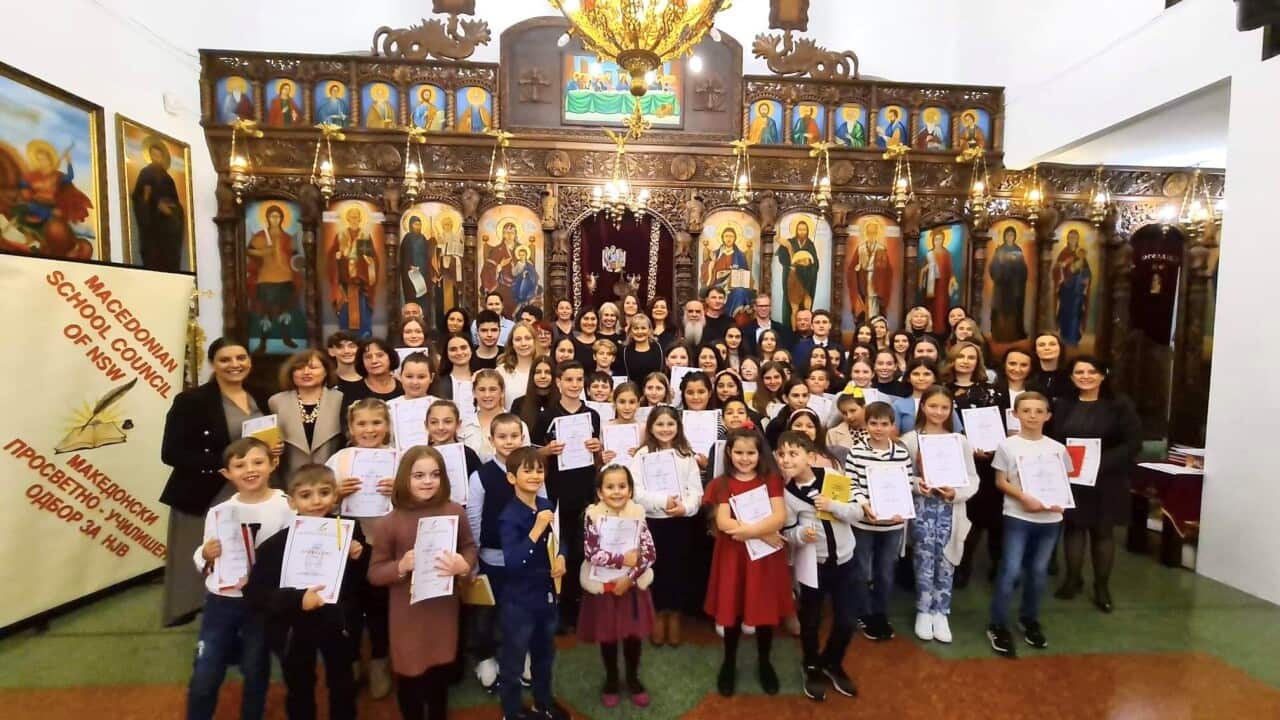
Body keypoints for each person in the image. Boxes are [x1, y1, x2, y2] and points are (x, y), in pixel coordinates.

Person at [160, 338, 278, 626]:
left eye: (241, 358)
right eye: (225, 359)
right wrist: (228, 464)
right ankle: (209, 619)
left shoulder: (262, 395)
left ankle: (249, 612)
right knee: (210, 556)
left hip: (252, 489)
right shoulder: (191, 401)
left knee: (249, 555)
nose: (235, 365)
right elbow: (171, 453)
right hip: (208, 491)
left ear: (249, 360)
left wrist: (273, 450)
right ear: (213, 363)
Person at [243, 464, 362, 720]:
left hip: (338, 623)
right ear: (292, 501)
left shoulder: (351, 531)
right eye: (306, 495)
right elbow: (255, 593)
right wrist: (298, 600)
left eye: (324, 492)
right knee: (299, 687)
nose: (317, 501)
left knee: (342, 683)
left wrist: (359, 556)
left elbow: (363, 583)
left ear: (335, 496)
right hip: (294, 628)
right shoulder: (275, 545)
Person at [185, 438, 292, 720]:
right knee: (206, 670)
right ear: (227, 474)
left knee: (255, 668)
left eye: (258, 462)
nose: (250, 470)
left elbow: (293, 555)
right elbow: (207, 555)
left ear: (273, 464)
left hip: (261, 604)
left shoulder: (287, 507)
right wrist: (205, 553)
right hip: (222, 602)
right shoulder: (220, 512)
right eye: (240, 465)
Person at [368, 445, 477, 719]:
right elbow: (375, 572)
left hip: (443, 608)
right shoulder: (389, 523)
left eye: (434, 474)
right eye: (419, 475)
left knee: (440, 676)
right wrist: (401, 566)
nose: (428, 481)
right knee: (410, 677)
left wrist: (464, 564)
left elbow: (469, 547)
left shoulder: (455, 511)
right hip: (408, 613)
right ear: (405, 478)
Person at [704, 429, 792, 697]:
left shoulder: (771, 480)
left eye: (750, 453)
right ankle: (729, 663)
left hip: (765, 557)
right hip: (733, 556)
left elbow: (779, 517)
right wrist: (761, 532)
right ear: (729, 453)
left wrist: (753, 533)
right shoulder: (721, 483)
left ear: (759, 454)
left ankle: (765, 663)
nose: (744, 458)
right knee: (733, 610)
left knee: (764, 610)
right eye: (739, 452)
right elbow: (723, 522)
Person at [1051, 357, 1142, 613]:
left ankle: (1101, 586)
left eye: (1092, 371)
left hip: (1107, 478)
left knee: (1102, 532)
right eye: (1079, 372)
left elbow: (1132, 443)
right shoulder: (1064, 404)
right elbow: (1055, 439)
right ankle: (1072, 579)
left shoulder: (1119, 404)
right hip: (1073, 478)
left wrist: (1101, 463)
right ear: (1071, 377)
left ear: (1103, 375)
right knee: (1073, 529)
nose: (1085, 376)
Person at [987, 392, 1073, 657]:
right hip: (1018, 516)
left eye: (1039, 411)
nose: (1032, 416)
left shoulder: (1058, 449)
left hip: (1050, 519)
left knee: (1038, 572)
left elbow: (1064, 480)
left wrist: (1061, 501)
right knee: (1011, 570)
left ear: (1048, 415)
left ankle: (1029, 618)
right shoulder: (1008, 446)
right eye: (1026, 411)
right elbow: (1001, 482)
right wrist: (1023, 496)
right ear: (1015, 414)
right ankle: (998, 624)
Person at [777, 431, 860, 701]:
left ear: (810, 456)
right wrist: (801, 535)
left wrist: (833, 505)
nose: (787, 459)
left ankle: (832, 661)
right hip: (814, 566)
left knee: (847, 620)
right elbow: (787, 532)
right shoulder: (787, 495)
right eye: (782, 454)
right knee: (811, 620)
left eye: (794, 453)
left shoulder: (833, 479)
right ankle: (811, 664)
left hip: (847, 562)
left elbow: (857, 510)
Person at [465, 412, 541, 690]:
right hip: (490, 560)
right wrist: (473, 560)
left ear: (523, 438)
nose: (509, 441)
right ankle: (485, 657)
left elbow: (544, 513)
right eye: (502, 436)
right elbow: (473, 519)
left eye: (514, 436)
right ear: (491, 439)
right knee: (485, 614)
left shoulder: (534, 470)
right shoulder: (481, 476)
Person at [326, 398, 396, 698]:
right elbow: (317, 505)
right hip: (349, 546)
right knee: (348, 608)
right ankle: (351, 660)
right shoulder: (338, 460)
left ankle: (380, 661)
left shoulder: (398, 458)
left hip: (385, 546)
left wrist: (400, 491)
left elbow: (418, 500)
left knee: (381, 607)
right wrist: (335, 494)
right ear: (351, 428)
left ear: (387, 427)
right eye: (362, 424)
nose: (370, 429)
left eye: (376, 423)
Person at [900, 387, 979, 643]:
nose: (938, 412)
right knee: (923, 558)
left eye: (944, 407)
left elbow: (972, 477)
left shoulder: (959, 441)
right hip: (921, 509)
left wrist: (956, 492)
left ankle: (941, 610)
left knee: (946, 559)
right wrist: (916, 484)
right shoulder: (910, 439)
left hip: (949, 508)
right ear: (923, 406)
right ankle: (923, 609)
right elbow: (901, 473)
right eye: (933, 406)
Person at [578, 464, 658, 708]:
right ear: (600, 492)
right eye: (610, 487)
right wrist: (621, 559)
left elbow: (649, 553)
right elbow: (591, 553)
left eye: (622, 486)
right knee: (608, 638)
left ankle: (633, 679)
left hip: (631, 588)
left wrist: (630, 578)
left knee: (633, 638)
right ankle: (611, 680)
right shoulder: (593, 517)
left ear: (630, 490)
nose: (616, 492)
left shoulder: (638, 515)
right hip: (604, 588)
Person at [497, 447, 568, 720]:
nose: (535, 475)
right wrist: (537, 529)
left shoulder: (547, 506)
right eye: (527, 470)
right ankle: (511, 712)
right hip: (519, 602)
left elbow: (562, 541)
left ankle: (543, 702)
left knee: (544, 656)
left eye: (539, 470)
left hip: (546, 597)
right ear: (512, 478)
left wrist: (561, 557)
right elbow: (513, 563)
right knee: (513, 664)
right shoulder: (509, 516)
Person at [532, 362, 603, 629]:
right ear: (558, 382)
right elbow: (534, 454)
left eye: (579, 379)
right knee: (561, 549)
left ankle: (584, 609)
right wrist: (547, 450)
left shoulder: (592, 415)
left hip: (586, 489)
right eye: (569, 379)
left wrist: (597, 448)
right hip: (558, 490)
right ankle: (561, 609)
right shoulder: (546, 416)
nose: (575, 385)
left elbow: (598, 456)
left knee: (585, 547)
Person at [628, 406, 703, 647]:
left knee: (679, 569)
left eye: (670, 424)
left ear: (678, 427)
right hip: (652, 523)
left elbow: (696, 492)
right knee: (655, 570)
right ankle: (658, 614)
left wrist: (685, 508)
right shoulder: (641, 455)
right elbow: (635, 491)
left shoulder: (685, 454)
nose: (665, 429)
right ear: (650, 427)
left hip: (680, 522)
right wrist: (662, 502)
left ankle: (674, 615)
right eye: (659, 424)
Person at [844, 401, 914, 641]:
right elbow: (851, 483)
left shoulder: (901, 453)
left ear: (893, 426)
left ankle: (881, 612)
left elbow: (907, 483)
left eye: (884, 424)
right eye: (873, 423)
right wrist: (864, 504)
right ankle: (864, 612)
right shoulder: (856, 451)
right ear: (867, 424)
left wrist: (902, 509)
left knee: (885, 571)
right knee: (862, 571)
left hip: (893, 524)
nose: (878, 428)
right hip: (864, 522)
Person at [269, 350, 345, 480]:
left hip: (332, 478)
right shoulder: (276, 402)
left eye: (313, 367)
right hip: (292, 479)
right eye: (299, 368)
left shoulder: (340, 399)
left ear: (326, 371)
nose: (306, 372)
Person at [247, 203, 302, 352]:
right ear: (267, 218)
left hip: (285, 277)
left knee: (285, 310)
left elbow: (295, 256)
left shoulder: (287, 237)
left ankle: (286, 338)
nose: (275, 219)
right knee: (266, 311)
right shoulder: (260, 236)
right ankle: (263, 342)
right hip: (266, 277)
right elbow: (250, 252)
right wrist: (264, 251)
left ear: (282, 218)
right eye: (272, 216)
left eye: (278, 216)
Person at [132, 136, 186, 272]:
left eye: (158, 155)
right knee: (152, 256)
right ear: (150, 156)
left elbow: (176, 203)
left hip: (167, 226)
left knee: (168, 257)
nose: (156, 158)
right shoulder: (145, 173)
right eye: (153, 155)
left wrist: (172, 209)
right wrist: (150, 201)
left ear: (163, 157)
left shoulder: (168, 179)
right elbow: (138, 197)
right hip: (152, 224)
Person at [329, 205, 379, 338]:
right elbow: (331, 256)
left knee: (362, 314)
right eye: (351, 217)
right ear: (347, 219)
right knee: (345, 315)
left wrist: (370, 262)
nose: (354, 219)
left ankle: (363, 340)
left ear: (360, 218)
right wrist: (337, 256)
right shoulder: (340, 235)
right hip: (345, 284)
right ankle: (347, 341)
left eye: (356, 217)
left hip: (361, 284)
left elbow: (374, 258)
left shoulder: (365, 235)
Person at [463, 370, 531, 462]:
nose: (487, 395)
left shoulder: (519, 425)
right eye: (482, 390)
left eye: (493, 389)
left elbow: (526, 459)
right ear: (474, 393)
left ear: (502, 392)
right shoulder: (463, 426)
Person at [340, 337, 403, 422]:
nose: (374, 361)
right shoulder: (351, 392)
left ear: (390, 357)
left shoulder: (404, 388)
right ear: (362, 362)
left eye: (380, 355)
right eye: (368, 357)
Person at [776, 221, 820, 331]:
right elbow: (782, 258)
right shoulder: (790, 242)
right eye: (800, 229)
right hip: (793, 279)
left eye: (804, 230)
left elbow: (815, 264)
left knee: (807, 306)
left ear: (807, 231)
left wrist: (808, 264)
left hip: (806, 280)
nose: (802, 232)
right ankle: (792, 330)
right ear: (796, 230)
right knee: (793, 308)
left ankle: (807, 330)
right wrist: (786, 247)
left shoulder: (810, 244)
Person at [848, 217, 893, 324]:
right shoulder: (861, 248)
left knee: (874, 303)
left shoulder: (881, 248)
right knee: (865, 302)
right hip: (863, 280)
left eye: (874, 232)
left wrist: (880, 271)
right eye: (869, 232)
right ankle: (864, 324)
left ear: (877, 233)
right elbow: (851, 268)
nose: (871, 234)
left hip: (876, 282)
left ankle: (874, 324)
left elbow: (889, 271)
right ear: (866, 233)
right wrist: (856, 269)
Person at [989, 225, 1029, 342]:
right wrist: (1001, 264)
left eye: (1012, 235)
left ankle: (1013, 335)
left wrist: (1016, 268)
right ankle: (1000, 336)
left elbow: (1023, 269)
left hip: (1014, 287)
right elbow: (993, 267)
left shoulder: (1018, 250)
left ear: (1015, 237)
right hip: (1002, 286)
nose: (1009, 237)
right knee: (1001, 310)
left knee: (1013, 311)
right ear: (1004, 236)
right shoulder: (999, 250)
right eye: (1007, 235)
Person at [701, 227, 754, 317]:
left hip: (734, 286)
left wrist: (738, 272)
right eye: (726, 236)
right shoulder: (715, 254)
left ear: (735, 238)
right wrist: (712, 264)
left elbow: (745, 272)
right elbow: (706, 269)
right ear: (722, 238)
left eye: (731, 236)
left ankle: (732, 317)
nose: (729, 239)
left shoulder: (740, 255)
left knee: (740, 291)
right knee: (715, 293)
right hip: (717, 285)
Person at [1053, 229, 1092, 347]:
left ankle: (1073, 338)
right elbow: (1056, 270)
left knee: (1075, 313)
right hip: (1066, 289)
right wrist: (1062, 267)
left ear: (1078, 239)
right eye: (1071, 237)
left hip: (1077, 290)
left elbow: (1088, 272)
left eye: (1075, 237)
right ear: (1067, 239)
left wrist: (1084, 275)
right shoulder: (1064, 253)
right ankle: (1064, 337)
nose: (1072, 239)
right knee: (1065, 312)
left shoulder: (1081, 255)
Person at [497, 323, 539, 410]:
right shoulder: (501, 372)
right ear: (511, 343)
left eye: (528, 338)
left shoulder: (544, 369)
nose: (523, 343)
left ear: (535, 341)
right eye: (518, 339)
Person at [513, 357, 556, 431]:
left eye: (547, 372)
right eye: (538, 372)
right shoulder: (518, 403)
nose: (543, 376)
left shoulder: (561, 402)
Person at [621, 313, 663, 384]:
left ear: (649, 330)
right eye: (636, 328)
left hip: (654, 390)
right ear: (630, 331)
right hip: (633, 392)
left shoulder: (658, 348)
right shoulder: (625, 351)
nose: (639, 332)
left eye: (643, 328)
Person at [1029, 332, 1071, 400]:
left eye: (1052, 344)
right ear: (1035, 350)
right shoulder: (1028, 376)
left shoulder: (1070, 376)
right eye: (1041, 345)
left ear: (1060, 348)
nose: (1047, 348)